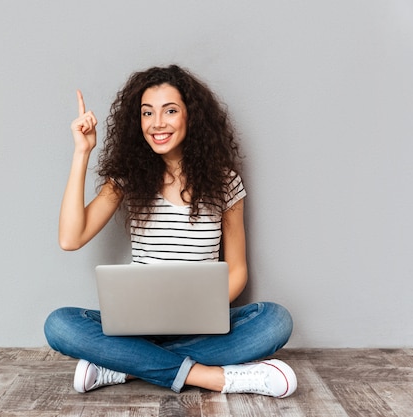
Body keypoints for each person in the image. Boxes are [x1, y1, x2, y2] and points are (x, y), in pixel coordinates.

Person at [44, 65, 297, 398]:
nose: (157, 123)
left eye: (170, 111)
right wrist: (82, 151)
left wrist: (199, 308)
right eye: (147, 113)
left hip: (202, 326)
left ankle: (124, 368)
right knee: (59, 324)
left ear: (191, 117)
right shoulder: (126, 180)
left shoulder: (225, 183)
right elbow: (70, 238)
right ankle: (215, 378)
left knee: (276, 320)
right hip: (137, 328)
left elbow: (237, 270)